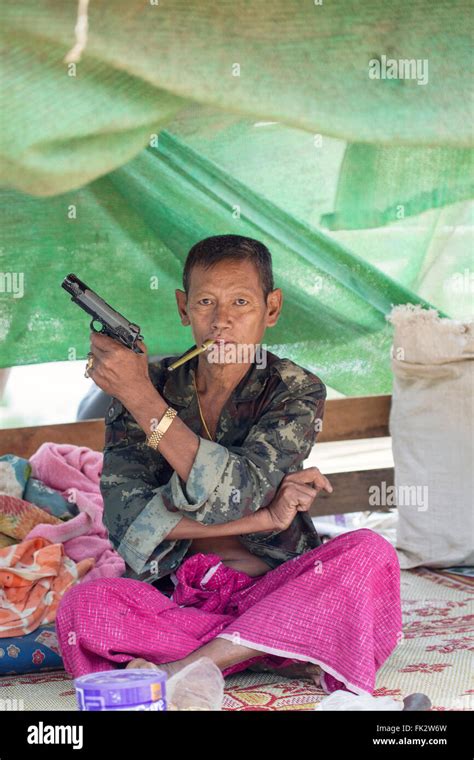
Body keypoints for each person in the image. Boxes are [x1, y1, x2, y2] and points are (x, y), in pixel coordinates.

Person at [55, 235, 402, 694]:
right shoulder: (146, 385)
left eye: (241, 301)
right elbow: (126, 524)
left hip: (275, 587)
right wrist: (267, 516)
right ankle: (273, 646)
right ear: (183, 309)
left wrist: (143, 401)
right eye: (205, 303)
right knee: (84, 607)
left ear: (271, 308)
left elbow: (237, 492)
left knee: (369, 554)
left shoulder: (294, 390)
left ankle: (189, 665)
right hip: (179, 598)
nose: (222, 321)